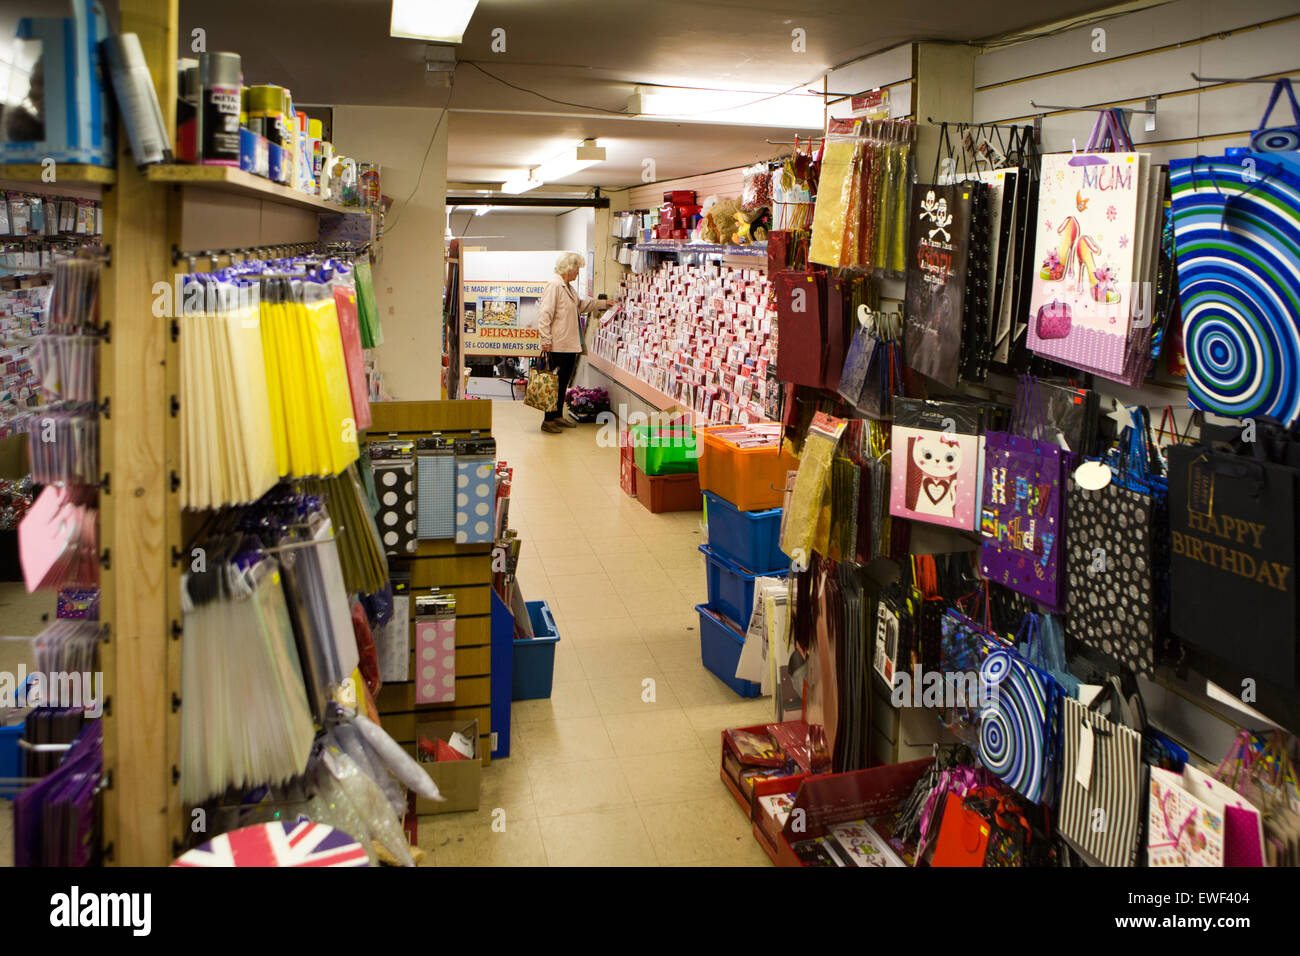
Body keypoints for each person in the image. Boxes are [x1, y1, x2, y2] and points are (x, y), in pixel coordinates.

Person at [536, 252, 608, 433]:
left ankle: (558, 415)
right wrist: (545, 339)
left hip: (568, 344)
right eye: (576, 270)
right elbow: (545, 314)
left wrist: (604, 304)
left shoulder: (567, 286)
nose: (577, 274)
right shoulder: (554, 285)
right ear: (568, 269)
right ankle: (548, 420)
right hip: (558, 345)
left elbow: (581, 306)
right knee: (554, 384)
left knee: (563, 383)